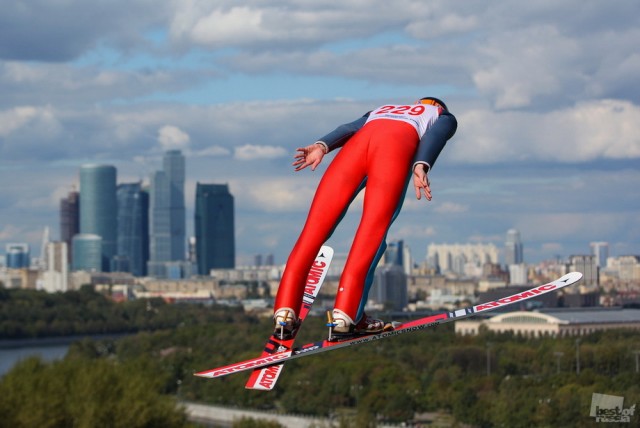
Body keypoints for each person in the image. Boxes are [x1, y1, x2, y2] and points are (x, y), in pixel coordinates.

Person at [273, 97, 457, 339]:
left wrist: (322, 145)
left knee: (312, 233)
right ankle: (346, 316)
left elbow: (348, 129)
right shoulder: (441, 115)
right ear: (438, 105)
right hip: (392, 154)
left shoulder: (384, 109)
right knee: (370, 235)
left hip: (352, 153)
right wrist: (421, 164)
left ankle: (284, 313)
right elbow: (436, 136)